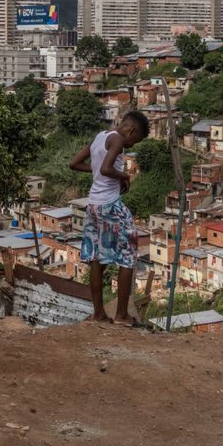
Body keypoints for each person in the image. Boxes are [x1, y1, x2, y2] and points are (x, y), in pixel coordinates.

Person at [69, 111, 150, 325]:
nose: (131, 144)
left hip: (93, 204)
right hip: (110, 204)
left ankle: (99, 314)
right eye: (136, 139)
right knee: (129, 253)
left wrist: (96, 169)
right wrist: (125, 176)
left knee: (97, 258)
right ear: (131, 130)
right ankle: (122, 315)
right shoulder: (118, 140)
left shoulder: (100, 137)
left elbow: (74, 163)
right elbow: (106, 169)